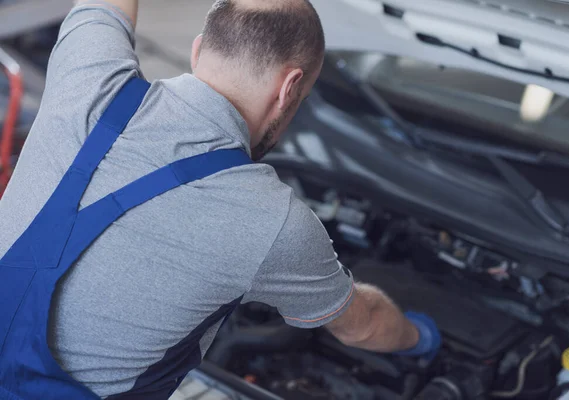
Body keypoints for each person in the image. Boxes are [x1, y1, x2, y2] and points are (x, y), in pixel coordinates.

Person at [0, 0, 441, 399]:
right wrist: (420, 338)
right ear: (290, 88)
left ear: (197, 51)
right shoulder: (272, 220)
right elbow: (363, 327)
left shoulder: (88, 70)